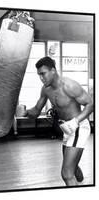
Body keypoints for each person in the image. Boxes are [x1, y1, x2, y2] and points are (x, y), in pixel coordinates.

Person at [22, 56, 93, 186]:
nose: (41, 78)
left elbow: (91, 104)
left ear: (53, 70)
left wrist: (76, 121)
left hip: (78, 128)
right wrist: (25, 112)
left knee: (66, 174)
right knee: (72, 166)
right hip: (66, 129)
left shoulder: (69, 86)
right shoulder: (46, 89)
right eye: (39, 75)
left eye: (43, 74)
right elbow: (37, 111)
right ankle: (81, 183)